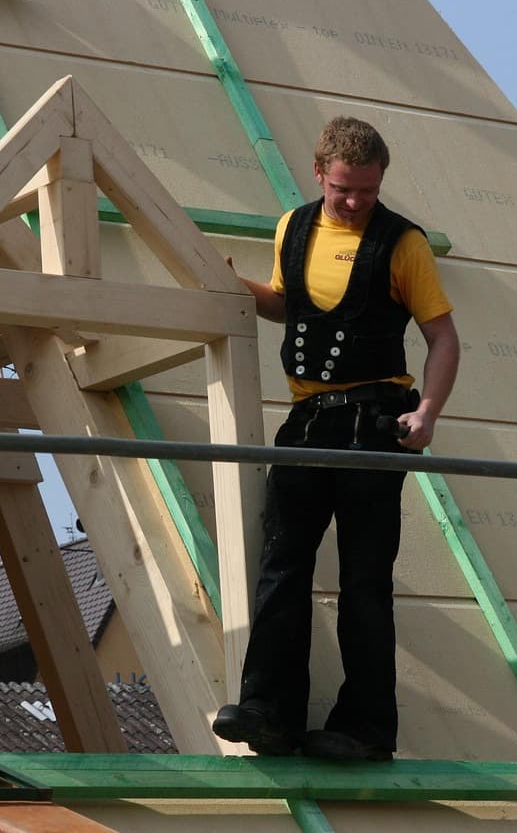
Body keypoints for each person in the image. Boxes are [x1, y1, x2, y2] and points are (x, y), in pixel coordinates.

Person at [211, 116, 460, 761]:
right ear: (320, 173)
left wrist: (426, 414)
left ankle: (366, 729)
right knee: (281, 567)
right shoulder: (293, 227)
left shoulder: (403, 245)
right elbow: (287, 304)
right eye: (344, 190)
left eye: (368, 193)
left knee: (364, 581)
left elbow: (443, 338)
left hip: (375, 425)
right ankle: (270, 712)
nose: (355, 203)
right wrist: (232, 286)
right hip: (308, 420)